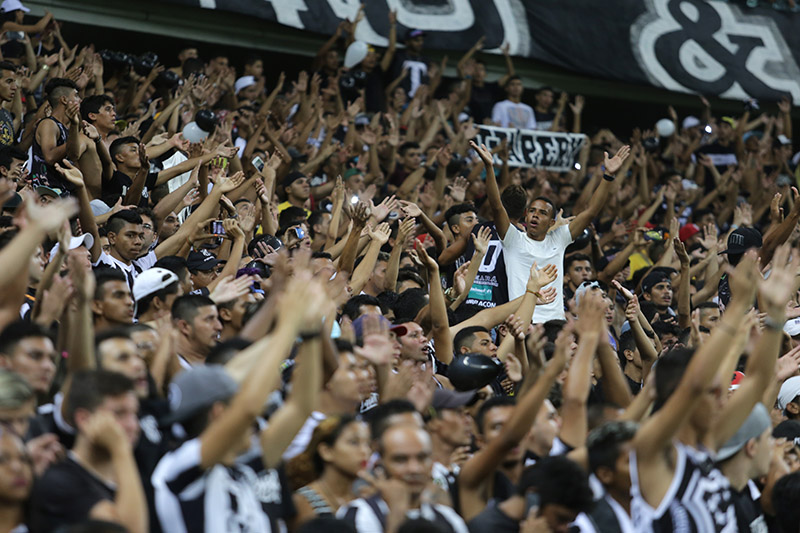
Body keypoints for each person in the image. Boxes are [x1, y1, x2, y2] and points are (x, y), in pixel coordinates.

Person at [472, 140, 630, 322]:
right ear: (525, 216)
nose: (535, 216)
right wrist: (489, 168)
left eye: (542, 213)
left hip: (555, 321)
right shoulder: (513, 239)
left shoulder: (559, 238)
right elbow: (497, 206)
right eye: (531, 211)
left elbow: (590, 212)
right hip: (521, 321)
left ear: (552, 222)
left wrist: (608, 175)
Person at [29, 369, 148, 533]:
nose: (133, 425)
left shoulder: (131, 473)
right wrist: (121, 451)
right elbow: (129, 530)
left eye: (135, 414)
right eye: (119, 414)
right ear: (84, 419)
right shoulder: (59, 481)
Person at [337, 425, 469, 532]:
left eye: (422, 458)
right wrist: (396, 515)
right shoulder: (359, 514)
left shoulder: (448, 518)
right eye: (400, 460)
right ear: (381, 464)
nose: (414, 469)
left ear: (432, 463)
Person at [467, 456, 594, 533]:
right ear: (534, 497)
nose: (564, 529)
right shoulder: (483, 528)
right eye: (561, 519)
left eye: (568, 522)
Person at [287, 415, 371, 527]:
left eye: (367, 444)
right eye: (354, 442)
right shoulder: (303, 503)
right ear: (326, 451)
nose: (365, 451)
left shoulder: (365, 498)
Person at [171, 294, 222, 368]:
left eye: (217, 319)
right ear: (184, 326)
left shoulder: (226, 356)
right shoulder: (167, 367)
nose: (219, 327)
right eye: (209, 319)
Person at [92, 268, 135, 332]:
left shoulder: (136, 339)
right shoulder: (79, 341)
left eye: (129, 296)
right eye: (119, 296)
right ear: (97, 306)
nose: (130, 302)